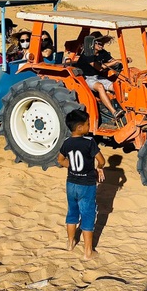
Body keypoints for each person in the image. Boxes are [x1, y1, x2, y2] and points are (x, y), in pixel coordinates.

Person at [57, 109, 105, 260]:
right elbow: (102, 160)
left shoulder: (66, 142)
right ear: (79, 127)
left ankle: (70, 243)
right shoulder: (89, 142)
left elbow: (60, 160)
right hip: (87, 184)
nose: (89, 127)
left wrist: (70, 166)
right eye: (87, 124)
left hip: (71, 183)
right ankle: (88, 252)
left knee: (72, 212)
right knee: (88, 215)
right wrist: (99, 169)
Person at [76, 32, 125, 119]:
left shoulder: (103, 52)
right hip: (85, 78)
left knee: (115, 86)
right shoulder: (87, 54)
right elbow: (100, 67)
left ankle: (123, 108)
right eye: (99, 43)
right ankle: (114, 112)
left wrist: (122, 61)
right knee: (100, 87)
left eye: (103, 43)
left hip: (98, 77)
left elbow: (112, 61)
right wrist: (116, 61)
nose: (101, 45)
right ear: (92, 43)